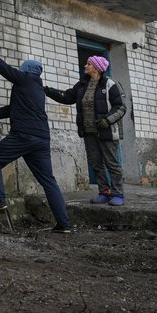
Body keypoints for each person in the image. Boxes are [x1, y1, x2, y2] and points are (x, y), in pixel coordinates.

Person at [0, 33, 71, 233]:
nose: (19, 70)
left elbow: (2, 67)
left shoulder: (24, 79)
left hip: (24, 135)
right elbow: (13, 109)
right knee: (48, 181)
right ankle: (64, 224)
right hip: (42, 139)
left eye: (22, 68)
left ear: (26, 70)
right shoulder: (37, 89)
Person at [45, 56, 127, 206]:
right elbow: (68, 96)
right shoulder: (82, 85)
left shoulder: (110, 84)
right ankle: (104, 192)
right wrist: (49, 91)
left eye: (88, 64)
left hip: (107, 131)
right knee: (96, 163)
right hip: (89, 132)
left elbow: (121, 107)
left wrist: (107, 120)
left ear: (97, 68)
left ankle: (118, 194)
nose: (85, 66)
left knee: (112, 164)